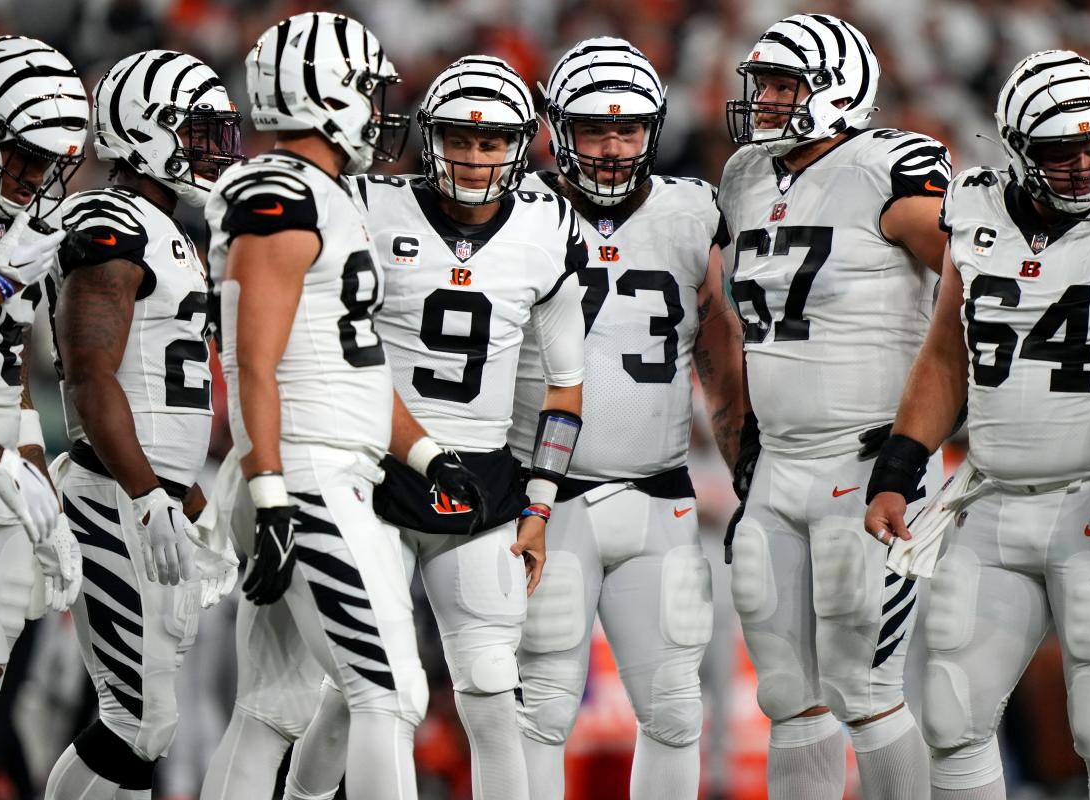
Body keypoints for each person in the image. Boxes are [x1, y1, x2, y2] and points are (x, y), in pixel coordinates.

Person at [275, 53, 587, 800]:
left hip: (481, 482)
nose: (473, 158)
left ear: (520, 146)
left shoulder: (549, 226)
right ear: (427, 138)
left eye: (490, 143)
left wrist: (539, 506)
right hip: (370, 473)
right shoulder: (365, 207)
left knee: (489, 685)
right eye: (457, 139)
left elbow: (566, 388)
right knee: (367, 689)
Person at [203, 14, 486, 800]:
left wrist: (425, 452)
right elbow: (253, 364)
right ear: (323, 92)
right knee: (390, 694)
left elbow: (350, 357)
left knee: (273, 710)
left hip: (317, 464)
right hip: (304, 473)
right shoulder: (281, 191)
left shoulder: (327, 194)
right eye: (366, 89)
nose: (376, 105)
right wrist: (270, 492)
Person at [865, 50, 1090, 800]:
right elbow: (944, 355)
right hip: (990, 498)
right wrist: (900, 467)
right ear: (1018, 150)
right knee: (951, 717)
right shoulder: (972, 207)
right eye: (1065, 151)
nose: (1089, 164)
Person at [716, 13, 954, 798]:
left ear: (840, 90)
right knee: (788, 692)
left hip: (870, 462)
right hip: (778, 463)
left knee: (866, 685)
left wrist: (932, 439)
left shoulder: (891, 165)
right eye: (765, 85)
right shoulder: (747, 174)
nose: (769, 101)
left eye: (787, 85)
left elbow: (979, 287)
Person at [510, 37, 745, 800]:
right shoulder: (521, 211)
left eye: (629, 128)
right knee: (541, 707)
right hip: (545, 498)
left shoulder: (690, 210)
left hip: (658, 491)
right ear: (556, 128)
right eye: (593, 129)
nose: (613, 148)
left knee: (676, 709)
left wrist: (745, 467)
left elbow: (718, 352)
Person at [43, 49, 242, 800]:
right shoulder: (111, 219)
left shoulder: (167, 231)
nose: (209, 149)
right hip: (115, 494)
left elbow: (159, 381)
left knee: (148, 723)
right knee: (138, 720)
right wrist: (144, 492)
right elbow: (92, 377)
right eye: (194, 131)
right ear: (146, 130)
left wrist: (185, 499)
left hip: (148, 497)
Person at [0, 33, 86, 752]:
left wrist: (33, 466)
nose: (34, 178)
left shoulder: (17, 220)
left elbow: (9, 372)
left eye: (51, 164)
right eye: (25, 155)